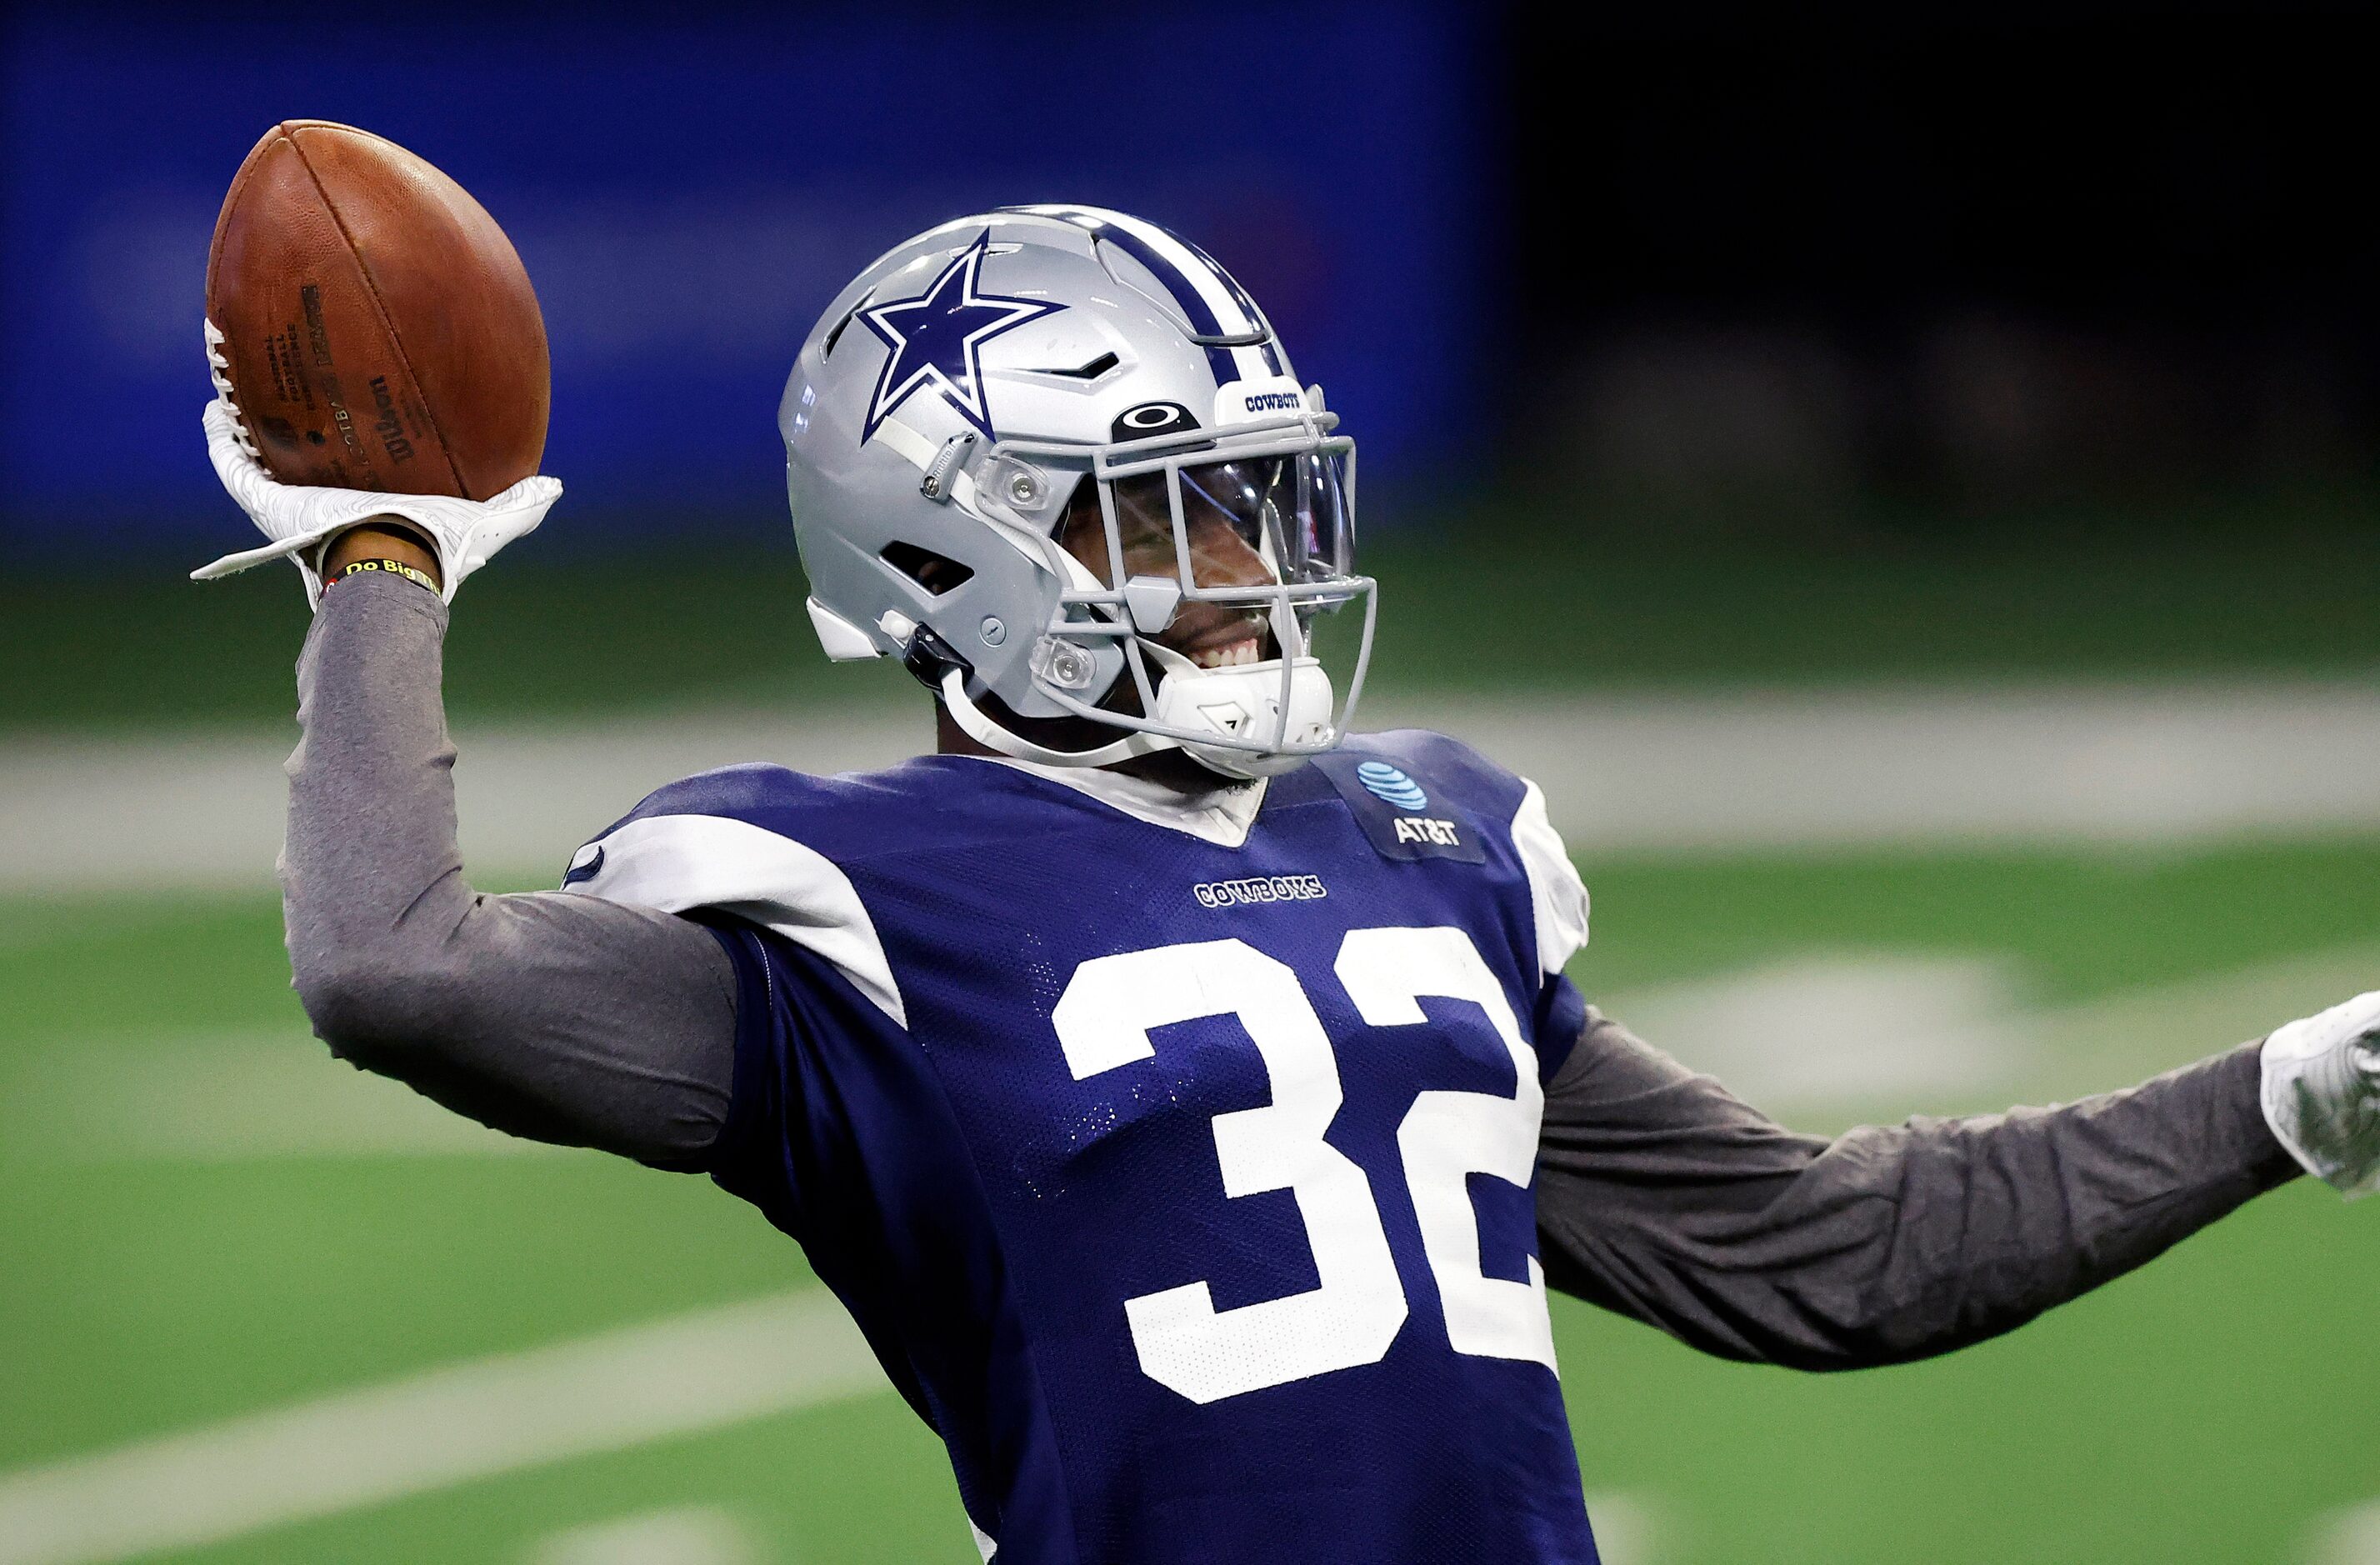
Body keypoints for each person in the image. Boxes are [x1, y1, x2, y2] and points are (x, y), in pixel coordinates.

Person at [196, 206, 2380, 1565]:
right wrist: (385, 558)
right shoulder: (843, 903)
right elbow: (398, 961)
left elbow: (1832, 1257)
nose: (1247, 570)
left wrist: (2286, 1090)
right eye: (1164, 515)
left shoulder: (1431, 838)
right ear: (942, 548)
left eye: (1251, 496)